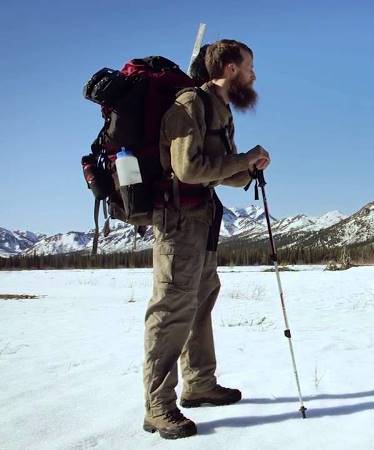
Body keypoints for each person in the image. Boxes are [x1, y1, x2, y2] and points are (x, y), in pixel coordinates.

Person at [142, 39, 270, 440]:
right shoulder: (189, 105)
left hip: (203, 219)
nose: (253, 75)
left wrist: (248, 168)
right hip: (178, 221)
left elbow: (218, 170)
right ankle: (158, 405)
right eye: (249, 67)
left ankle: (199, 383)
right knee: (172, 307)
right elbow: (187, 169)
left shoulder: (220, 109)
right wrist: (242, 159)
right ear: (230, 68)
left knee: (200, 300)